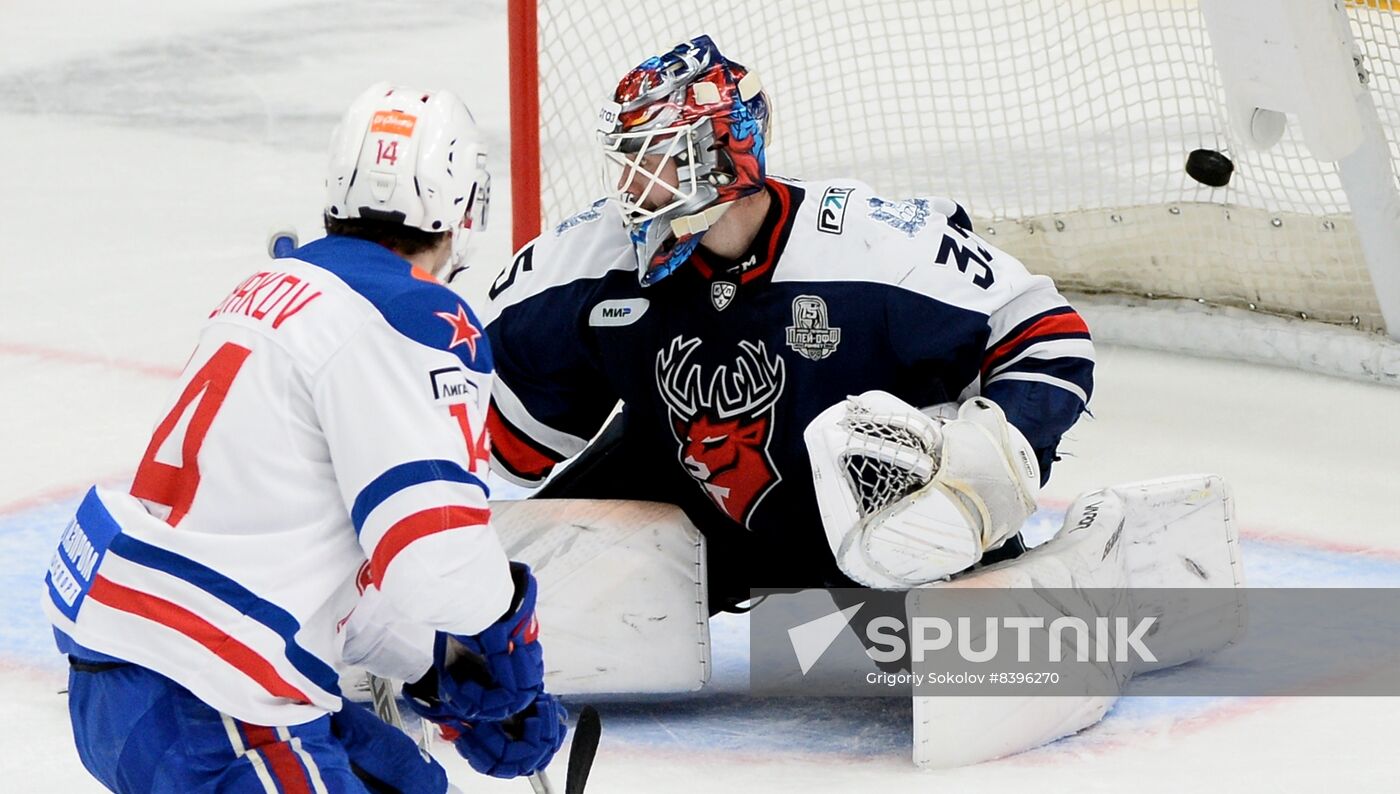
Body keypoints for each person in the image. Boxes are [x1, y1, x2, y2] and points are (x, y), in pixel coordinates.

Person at [43, 83, 564, 793]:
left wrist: (440, 667)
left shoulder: (272, 286)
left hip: (129, 663)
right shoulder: (414, 316)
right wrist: (501, 642)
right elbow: (433, 563)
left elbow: (312, 562)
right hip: (216, 692)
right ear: (463, 206)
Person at [482, 36, 1095, 609]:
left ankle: (1046, 586)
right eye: (626, 162)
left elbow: (1046, 335)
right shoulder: (593, 258)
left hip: (874, 521)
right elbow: (494, 418)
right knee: (512, 595)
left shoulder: (871, 242)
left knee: (966, 666)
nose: (628, 186)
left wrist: (983, 465)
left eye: (652, 160)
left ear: (721, 157)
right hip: (693, 505)